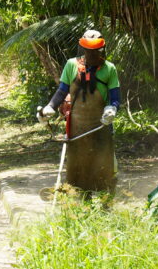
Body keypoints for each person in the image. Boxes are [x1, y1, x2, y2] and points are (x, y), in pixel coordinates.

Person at [37, 30, 120, 193]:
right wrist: (50, 107)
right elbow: (62, 91)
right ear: (83, 48)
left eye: (95, 50)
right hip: (77, 126)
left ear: (101, 50)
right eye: (88, 49)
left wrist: (112, 109)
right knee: (78, 166)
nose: (91, 53)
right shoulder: (71, 65)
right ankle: (81, 199)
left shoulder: (109, 69)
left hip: (101, 125)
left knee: (106, 166)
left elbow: (115, 97)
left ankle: (105, 203)